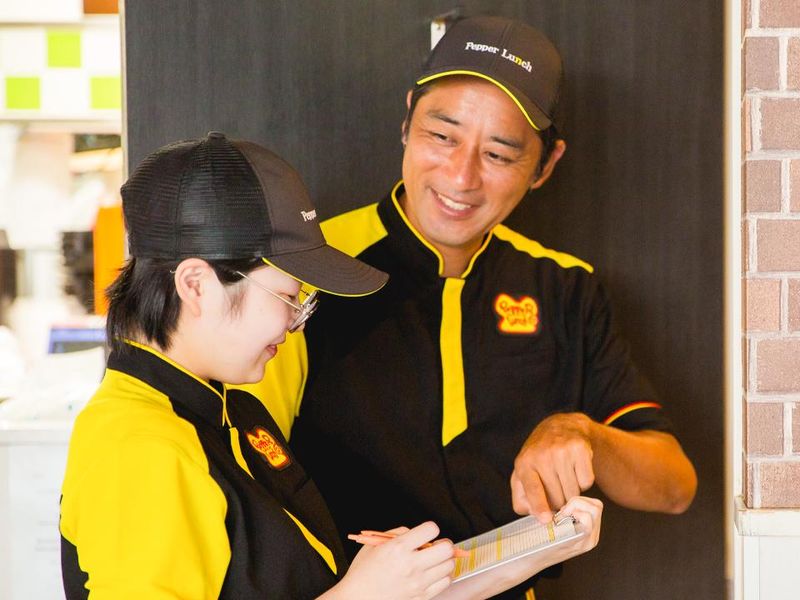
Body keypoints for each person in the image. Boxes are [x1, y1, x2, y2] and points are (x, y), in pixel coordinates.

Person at [253, 15, 697, 599]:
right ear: (408, 120)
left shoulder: (564, 287)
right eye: (443, 136)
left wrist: (584, 434)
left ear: (545, 165)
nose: (461, 177)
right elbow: (236, 468)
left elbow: (673, 487)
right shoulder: (309, 269)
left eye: (499, 154)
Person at [58, 132, 602, 599]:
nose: (295, 323)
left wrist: (535, 546)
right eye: (288, 297)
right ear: (196, 285)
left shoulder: (229, 413)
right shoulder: (139, 447)